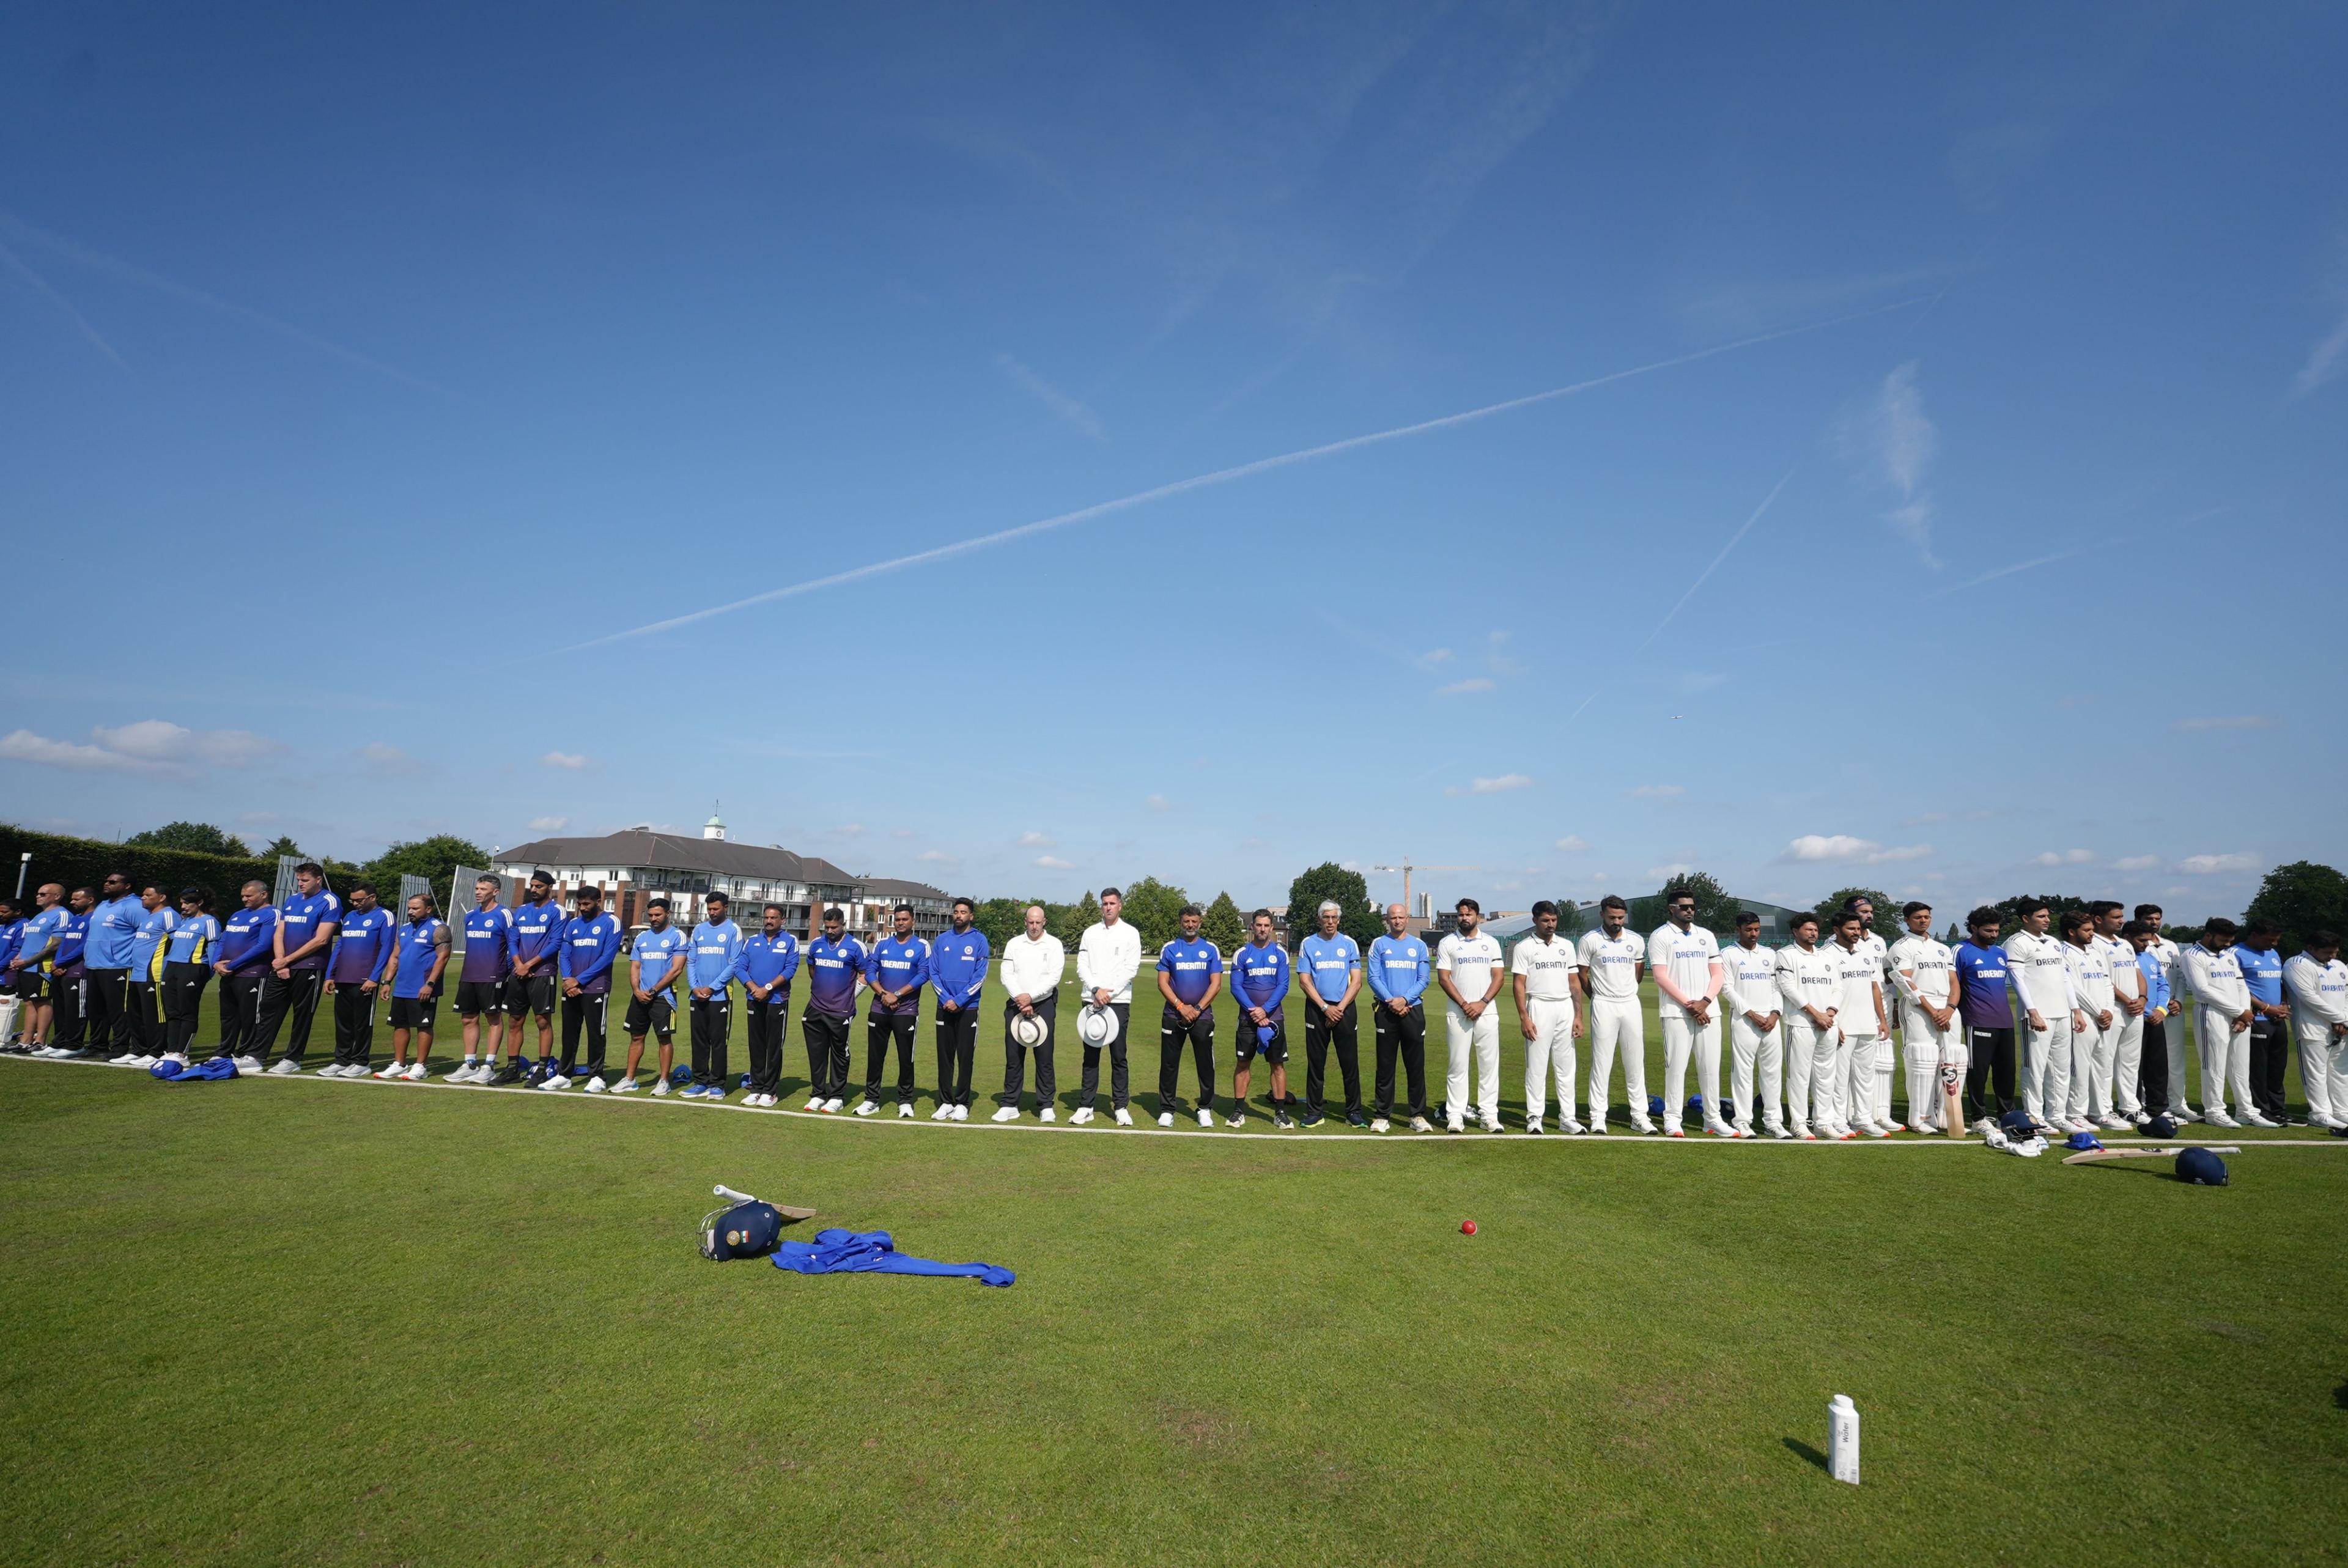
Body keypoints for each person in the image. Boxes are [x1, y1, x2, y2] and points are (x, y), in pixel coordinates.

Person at [1649, 885, 1728, 1137]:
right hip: (1676, 1012)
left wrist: (1705, 1001)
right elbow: (1661, 977)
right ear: (1672, 909)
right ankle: (1672, 1119)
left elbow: (1718, 974)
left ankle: (1712, 1119)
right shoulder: (1660, 936)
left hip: (1709, 1011)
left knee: (1710, 1067)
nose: (1690, 911)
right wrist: (1690, 1005)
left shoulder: (1706, 935)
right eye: (1684, 907)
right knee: (1676, 1068)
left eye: (1693, 907)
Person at [1577, 896, 1651, 1135]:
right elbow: (1582, 974)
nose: (1617, 922)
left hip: (1630, 1003)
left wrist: (1625, 991)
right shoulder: (1590, 940)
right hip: (1603, 1004)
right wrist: (1597, 996)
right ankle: (1598, 1117)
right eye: (1612, 917)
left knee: (1635, 1061)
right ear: (1602, 915)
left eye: (1620, 918)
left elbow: (1637, 974)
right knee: (1602, 1062)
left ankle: (1639, 1116)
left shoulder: (1636, 941)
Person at [1510, 900, 1585, 1134]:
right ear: (1535, 921)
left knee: (1566, 1067)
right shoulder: (1524, 947)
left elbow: (1574, 982)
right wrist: (1524, 1017)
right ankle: (1534, 1117)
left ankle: (1568, 1118)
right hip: (1539, 1006)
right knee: (1537, 1066)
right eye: (1545, 920)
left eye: (1553, 920)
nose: (1550, 924)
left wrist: (1578, 1016)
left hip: (1564, 1007)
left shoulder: (1566, 946)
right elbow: (1519, 984)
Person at [1889, 902, 1964, 1134]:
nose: (1923, 921)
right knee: (1922, 1059)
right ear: (1907, 920)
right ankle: (1920, 1118)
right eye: (1918, 917)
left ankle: (1948, 1117)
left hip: (1948, 1007)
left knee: (1955, 1059)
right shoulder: (1901, 947)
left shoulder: (1943, 948)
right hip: (1918, 1007)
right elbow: (1906, 983)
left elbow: (1954, 983)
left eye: (1927, 917)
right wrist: (1933, 1011)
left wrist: (1950, 1009)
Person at [2001, 899, 2075, 1131]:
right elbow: (2017, 980)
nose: (2047, 920)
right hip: (2037, 1016)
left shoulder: (2054, 942)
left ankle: (2057, 1115)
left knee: (2061, 1068)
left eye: (2047, 916)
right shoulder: (2016, 943)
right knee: (2035, 1067)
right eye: (2042, 916)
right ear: (2026, 919)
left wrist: (2076, 1010)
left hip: (2062, 1014)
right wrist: (2033, 1011)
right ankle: (2035, 1116)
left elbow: (2065, 978)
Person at [2180, 918, 2257, 1129]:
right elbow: (2202, 990)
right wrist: (2239, 1012)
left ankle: (2246, 1110)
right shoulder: (2192, 956)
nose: (2227, 944)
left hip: (2239, 1015)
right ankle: (2215, 1111)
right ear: (2208, 935)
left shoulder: (2229, 956)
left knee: (2240, 1065)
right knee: (2213, 1064)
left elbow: (2241, 985)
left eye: (2230, 940)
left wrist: (2244, 1012)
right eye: (2223, 940)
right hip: (2211, 1014)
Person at [1074, 887, 1140, 1126]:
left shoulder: (1131, 933)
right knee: (1090, 1056)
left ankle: (1121, 1106)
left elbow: (1130, 969)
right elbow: (1082, 966)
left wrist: (1108, 992)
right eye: (1104, 904)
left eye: (1112, 903)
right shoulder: (1090, 933)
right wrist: (1095, 990)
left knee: (1119, 1056)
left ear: (1120, 906)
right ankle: (1086, 1105)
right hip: (1091, 999)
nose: (1108, 907)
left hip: (1118, 1001)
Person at [1365, 902, 1433, 1133]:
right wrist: (1391, 1001)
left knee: (1415, 1066)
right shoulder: (1379, 944)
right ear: (1387, 919)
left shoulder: (1419, 946)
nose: (1397, 921)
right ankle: (1382, 1116)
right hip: (1386, 1011)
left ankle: (1417, 1115)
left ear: (1408, 918)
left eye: (1401, 917)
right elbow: (1374, 978)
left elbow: (1424, 979)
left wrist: (1404, 999)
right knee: (1385, 1065)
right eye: (1393, 918)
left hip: (1413, 1010)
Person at [1296, 900, 1365, 1127]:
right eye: (1326, 917)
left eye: (1334, 918)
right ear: (1320, 919)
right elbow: (1305, 982)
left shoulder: (1349, 944)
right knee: (1316, 1063)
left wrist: (1340, 1008)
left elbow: (1356, 982)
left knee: (1350, 1064)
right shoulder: (1308, 943)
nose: (1330, 922)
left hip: (1345, 1009)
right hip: (1317, 1010)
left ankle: (1353, 1112)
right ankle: (1315, 1112)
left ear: (1339, 920)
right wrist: (1326, 1008)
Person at [1154, 905, 1223, 1128]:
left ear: (1200, 923)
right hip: (1174, 1014)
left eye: (1194, 921)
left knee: (1205, 1064)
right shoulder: (1170, 948)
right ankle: (1167, 1109)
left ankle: (1205, 1108)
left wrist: (1198, 1008)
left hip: (1202, 1016)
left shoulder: (1211, 949)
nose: (1190, 925)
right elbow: (1162, 982)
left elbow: (1216, 984)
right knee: (1169, 1064)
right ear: (1180, 923)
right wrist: (1181, 1006)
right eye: (1186, 921)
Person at [858, 904, 928, 1118]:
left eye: (905, 919)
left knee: (906, 1057)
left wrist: (896, 995)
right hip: (880, 1008)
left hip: (906, 1010)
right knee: (875, 1057)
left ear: (913, 922)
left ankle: (905, 1101)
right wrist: (883, 994)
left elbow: (923, 975)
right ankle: (871, 1099)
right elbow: (870, 971)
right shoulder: (883, 944)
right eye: (897, 920)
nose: (900, 923)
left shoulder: (921, 945)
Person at [495, 872, 565, 1086]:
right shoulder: (522, 911)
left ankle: (543, 1069)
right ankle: (512, 1068)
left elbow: (556, 943)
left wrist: (529, 965)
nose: (534, 890)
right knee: (515, 1020)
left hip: (542, 973)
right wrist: (518, 964)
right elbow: (513, 939)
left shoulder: (557, 911)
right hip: (519, 972)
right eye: (532, 886)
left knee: (542, 1021)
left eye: (539, 886)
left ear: (550, 888)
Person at [548, 885, 621, 1091]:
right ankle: (564, 1074)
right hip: (571, 986)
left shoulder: (611, 922)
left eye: (587, 904)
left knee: (596, 1033)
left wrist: (578, 980)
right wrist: (568, 979)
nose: (582, 908)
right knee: (569, 1032)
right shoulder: (573, 924)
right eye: (579, 904)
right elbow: (564, 954)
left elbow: (607, 957)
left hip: (596, 987)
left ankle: (597, 1076)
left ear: (599, 902)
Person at [992, 905, 1061, 1122]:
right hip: (1016, 1004)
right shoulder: (1014, 944)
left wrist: (1030, 996)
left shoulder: (1054, 945)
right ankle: (1010, 1103)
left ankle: (1046, 1105)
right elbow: (1007, 975)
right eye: (1031, 922)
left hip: (1043, 1004)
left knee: (1044, 1057)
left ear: (1044, 922)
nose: (1034, 926)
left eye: (1038, 922)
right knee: (1014, 1056)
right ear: (1025, 922)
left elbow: (1053, 977)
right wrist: (1021, 998)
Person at [319, 883, 395, 1077]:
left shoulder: (385, 916)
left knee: (362, 1023)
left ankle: (361, 1062)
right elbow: (340, 946)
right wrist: (330, 974)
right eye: (352, 900)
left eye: (359, 900)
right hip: (343, 977)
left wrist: (374, 977)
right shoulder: (350, 917)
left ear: (372, 898)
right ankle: (342, 1061)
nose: (355, 904)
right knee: (343, 1022)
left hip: (365, 980)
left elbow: (386, 949)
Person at [1721, 911, 1786, 1138]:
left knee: (1772, 1073)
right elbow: (1727, 988)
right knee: (1743, 1073)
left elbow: (1777, 988)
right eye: (1749, 930)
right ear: (1738, 930)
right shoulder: (1728, 954)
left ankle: (1773, 1122)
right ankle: (1743, 1121)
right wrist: (1751, 1014)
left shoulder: (1770, 954)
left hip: (1771, 1022)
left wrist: (1775, 1014)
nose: (1754, 934)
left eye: (1757, 930)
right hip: (1744, 1021)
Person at [1953, 907, 2018, 1129]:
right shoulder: (1961, 950)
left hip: (2005, 1022)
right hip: (1978, 1021)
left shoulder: (2000, 953)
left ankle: (2005, 1116)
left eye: (1996, 930)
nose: (1993, 935)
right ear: (1974, 928)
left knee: (2007, 1072)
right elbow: (1954, 985)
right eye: (1988, 930)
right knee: (1978, 1072)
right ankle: (1978, 1119)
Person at [1229, 908, 1294, 1128]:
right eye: (1259, 925)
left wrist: (1265, 1010)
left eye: (1266, 926)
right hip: (1248, 1019)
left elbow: (1283, 985)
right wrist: (1253, 1010)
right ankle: (1239, 1111)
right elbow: (1236, 987)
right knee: (1243, 1063)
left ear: (1272, 928)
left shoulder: (1281, 954)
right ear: (1252, 927)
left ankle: (1280, 1113)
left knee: (1277, 1065)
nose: (1262, 929)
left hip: (1274, 1018)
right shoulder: (1242, 954)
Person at [616, 898, 688, 1095]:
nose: (654, 918)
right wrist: (637, 991)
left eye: (658, 915)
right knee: (636, 1037)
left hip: (664, 997)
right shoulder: (641, 938)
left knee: (664, 1039)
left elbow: (677, 970)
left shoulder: (678, 936)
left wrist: (654, 990)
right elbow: (635, 966)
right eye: (651, 915)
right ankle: (630, 1079)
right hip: (640, 997)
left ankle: (664, 1081)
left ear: (668, 914)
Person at [1831, 910, 1892, 1136]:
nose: (1856, 933)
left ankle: (1863, 1119)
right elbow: (1827, 992)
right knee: (1839, 1077)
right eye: (1851, 929)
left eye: (1858, 929)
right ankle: (1837, 1120)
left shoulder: (1866, 953)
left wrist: (1882, 1020)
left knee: (1866, 1076)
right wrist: (1834, 1023)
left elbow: (1875, 987)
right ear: (1837, 930)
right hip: (1843, 1025)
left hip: (1867, 1024)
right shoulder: (1827, 954)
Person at [446, 875, 513, 1085]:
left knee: (493, 1018)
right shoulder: (471, 917)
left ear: (495, 892)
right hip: (469, 975)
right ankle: (470, 1064)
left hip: (493, 975)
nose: (478, 892)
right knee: (468, 1019)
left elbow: (515, 945)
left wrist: (504, 971)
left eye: (483, 888)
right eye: (477, 888)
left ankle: (489, 1066)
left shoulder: (504, 914)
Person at [375, 893, 450, 1079]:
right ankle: (399, 1063)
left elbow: (443, 957)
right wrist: (387, 982)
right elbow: (395, 957)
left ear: (429, 909)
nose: (410, 911)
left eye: (415, 908)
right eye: (409, 908)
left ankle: (420, 1066)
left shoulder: (439, 929)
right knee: (399, 1025)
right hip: (402, 986)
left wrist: (430, 984)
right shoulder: (404, 929)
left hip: (423, 987)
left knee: (423, 1026)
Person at [926, 899, 988, 1121]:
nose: (959, 915)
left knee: (965, 1056)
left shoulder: (979, 940)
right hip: (944, 1006)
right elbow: (933, 972)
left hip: (968, 1007)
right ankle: (945, 1101)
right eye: (956, 912)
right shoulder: (942, 940)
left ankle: (962, 1102)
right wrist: (945, 998)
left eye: (963, 912)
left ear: (971, 916)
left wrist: (959, 1000)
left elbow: (980, 976)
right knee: (944, 1056)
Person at [802, 907, 868, 1113]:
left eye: (834, 927)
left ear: (843, 924)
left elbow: (866, 975)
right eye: (827, 927)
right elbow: (812, 969)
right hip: (815, 1007)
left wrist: (849, 995)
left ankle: (837, 1096)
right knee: (817, 1053)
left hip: (841, 1011)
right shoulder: (816, 944)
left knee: (840, 1053)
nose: (830, 931)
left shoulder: (856, 947)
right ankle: (818, 1094)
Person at [2056, 910, 2114, 1135]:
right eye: (2087, 930)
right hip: (2082, 1016)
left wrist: (2108, 1010)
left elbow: (2107, 983)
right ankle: (2075, 1113)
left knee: (2103, 1066)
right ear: (2072, 932)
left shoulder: (2095, 952)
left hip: (2103, 1017)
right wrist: (2098, 1012)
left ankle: (2100, 1111)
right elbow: (2072, 987)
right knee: (2079, 1067)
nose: (2092, 934)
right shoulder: (2063, 951)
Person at [736, 904, 800, 1108]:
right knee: (756, 1046)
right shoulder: (752, 941)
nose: (769, 921)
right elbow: (740, 967)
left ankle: (770, 1091)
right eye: (766, 917)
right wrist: (754, 987)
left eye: (773, 918)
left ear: (782, 920)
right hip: (754, 998)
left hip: (777, 1000)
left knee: (773, 1047)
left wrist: (768, 988)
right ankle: (756, 1088)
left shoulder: (790, 941)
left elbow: (791, 968)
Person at [2283, 931, 2348, 1129]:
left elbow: (2346, 995)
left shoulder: (2338, 966)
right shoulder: (2297, 964)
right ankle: (2320, 1113)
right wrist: (2340, 1018)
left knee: (2341, 1072)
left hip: (2341, 1028)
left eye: (2335, 952)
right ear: (2311, 948)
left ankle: (2342, 1111)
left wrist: (2343, 1020)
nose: (2332, 957)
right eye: (2327, 952)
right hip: (2312, 1028)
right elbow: (2309, 998)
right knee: (2316, 1073)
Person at [2135, 904, 2194, 1119]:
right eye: (2149, 919)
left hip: (2171, 1009)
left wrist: (2177, 1000)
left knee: (2174, 1059)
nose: (2154, 923)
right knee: (2146, 1060)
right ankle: (2144, 1102)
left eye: (2158, 918)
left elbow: (2178, 976)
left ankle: (2179, 1104)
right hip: (2148, 1011)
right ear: (2139, 920)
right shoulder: (2137, 945)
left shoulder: (2170, 946)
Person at [2093, 901, 2149, 1126]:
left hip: (2135, 1009)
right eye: (2116, 917)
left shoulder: (2125, 944)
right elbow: (2103, 979)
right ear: (2099, 919)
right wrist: (2127, 1000)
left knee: (2130, 1062)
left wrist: (2142, 999)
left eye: (2121, 916)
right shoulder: (2094, 943)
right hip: (2112, 1008)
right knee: (2105, 1062)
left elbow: (2138, 974)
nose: (2121, 920)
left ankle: (2130, 1108)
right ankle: (2104, 1110)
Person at [687, 893, 747, 1102]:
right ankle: (700, 1082)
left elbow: (734, 963)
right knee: (699, 1041)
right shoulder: (699, 930)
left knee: (718, 1042)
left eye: (716, 909)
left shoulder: (733, 930)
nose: (712, 913)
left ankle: (717, 1084)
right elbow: (691, 961)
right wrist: (694, 987)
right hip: (696, 996)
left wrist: (712, 988)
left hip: (720, 996)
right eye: (709, 909)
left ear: (726, 908)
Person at [211, 881, 277, 1072]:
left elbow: (264, 945)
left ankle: (247, 1053)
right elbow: (223, 940)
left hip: (254, 973)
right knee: (228, 1016)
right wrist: (216, 962)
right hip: (229, 974)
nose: (244, 899)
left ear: (263, 895)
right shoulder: (237, 915)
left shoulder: (271, 914)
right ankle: (225, 1051)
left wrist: (233, 964)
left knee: (251, 1016)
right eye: (243, 896)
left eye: (249, 896)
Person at [81, 872, 144, 1061]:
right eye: (106, 880)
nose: (106, 884)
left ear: (127, 886)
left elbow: (146, 934)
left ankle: (121, 1046)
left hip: (118, 966)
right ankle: (98, 1045)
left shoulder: (135, 906)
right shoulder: (102, 905)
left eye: (112, 882)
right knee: (95, 1009)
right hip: (93, 965)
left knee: (118, 1010)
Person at [155, 888, 219, 1067]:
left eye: (186, 903)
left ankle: (183, 1053)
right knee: (172, 1012)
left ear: (199, 903)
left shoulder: (209, 922)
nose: (182, 907)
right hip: (173, 968)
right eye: (181, 903)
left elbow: (213, 947)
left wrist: (209, 972)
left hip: (193, 969)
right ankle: (171, 1051)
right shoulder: (184, 921)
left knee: (187, 1012)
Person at [2235, 921, 2292, 1125]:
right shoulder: (2236, 953)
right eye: (2270, 939)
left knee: (2278, 1068)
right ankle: (2261, 1109)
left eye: (2276, 940)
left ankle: (2278, 1109)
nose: (2275, 944)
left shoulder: (2272, 954)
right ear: (2254, 935)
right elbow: (2239, 988)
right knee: (2258, 1069)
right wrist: (2267, 1008)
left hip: (2278, 1019)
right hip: (2256, 1019)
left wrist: (2283, 1005)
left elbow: (2279, 983)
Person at [119, 886, 178, 1066]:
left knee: (155, 1015)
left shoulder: (169, 915)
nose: (142, 898)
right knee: (135, 1014)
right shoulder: (148, 917)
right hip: (137, 972)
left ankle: (157, 1051)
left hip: (154, 973)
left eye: (147, 895)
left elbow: (176, 941)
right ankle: (139, 1050)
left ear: (162, 897)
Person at [6, 882, 68, 1051]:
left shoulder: (62, 914)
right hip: (26, 967)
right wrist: (19, 958)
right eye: (38, 893)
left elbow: (56, 944)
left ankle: (40, 1041)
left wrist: (29, 961)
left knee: (42, 1002)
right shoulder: (38, 917)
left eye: (43, 894)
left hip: (41, 967)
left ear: (57, 896)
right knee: (29, 1002)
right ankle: (25, 1040)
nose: (38, 896)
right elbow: (30, 942)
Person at [2124, 919, 2173, 1119]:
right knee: (2134, 1067)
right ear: (2127, 938)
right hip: (2133, 1019)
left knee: (2158, 1068)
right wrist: (2147, 1012)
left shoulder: (2150, 958)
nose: (2146, 944)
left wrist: (2161, 1010)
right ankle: (2133, 1109)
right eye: (2142, 940)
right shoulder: (2123, 958)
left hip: (2156, 1018)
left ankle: (2159, 1109)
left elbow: (2163, 985)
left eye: (2149, 940)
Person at [37, 888, 92, 1057]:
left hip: (78, 970)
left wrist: (61, 962)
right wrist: (57, 963)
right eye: (72, 899)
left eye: (77, 899)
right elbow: (62, 943)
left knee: (76, 1009)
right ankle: (59, 1041)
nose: (72, 902)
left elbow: (84, 946)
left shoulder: (94, 919)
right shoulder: (74, 919)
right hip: (60, 970)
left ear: (90, 900)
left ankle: (74, 1044)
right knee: (61, 1008)